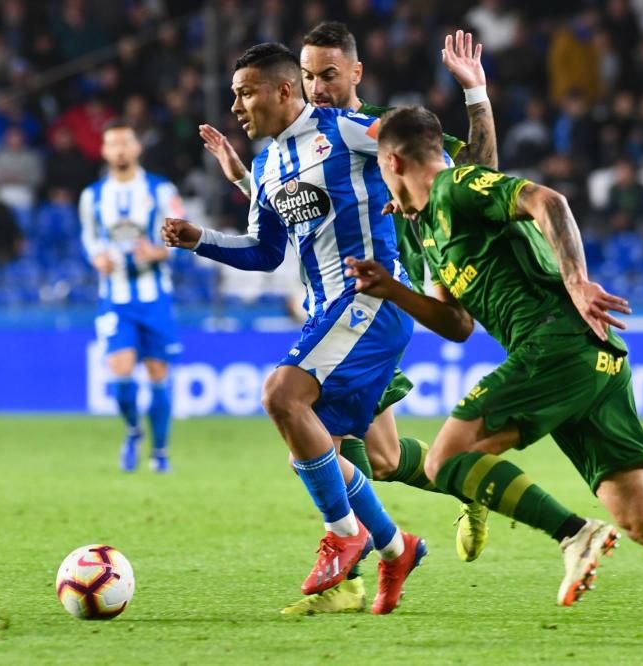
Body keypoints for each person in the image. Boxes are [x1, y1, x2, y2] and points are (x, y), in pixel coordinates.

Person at [345, 106, 643, 642]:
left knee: (446, 458)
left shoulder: (458, 186)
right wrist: (394, 289)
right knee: (639, 516)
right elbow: (456, 325)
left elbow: (549, 201)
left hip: (558, 342)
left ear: (394, 160)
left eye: (379, 168)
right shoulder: (426, 228)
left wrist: (575, 280)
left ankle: (573, 535)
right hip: (587, 359)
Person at [197, 23, 498, 615]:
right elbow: (285, 214)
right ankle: (403, 537)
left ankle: (349, 566)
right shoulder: (287, 147)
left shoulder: (377, 131)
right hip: (333, 313)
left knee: (297, 410)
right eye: (308, 76)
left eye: (327, 75)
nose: (316, 87)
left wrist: (475, 95)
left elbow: (478, 172)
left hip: (377, 301)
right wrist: (240, 180)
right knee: (357, 456)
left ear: (356, 73)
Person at [161, 43, 424, 615]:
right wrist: (199, 239)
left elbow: (426, 155)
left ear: (285, 91)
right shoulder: (267, 165)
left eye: (246, 92)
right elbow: (262, 252)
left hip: (372, 299)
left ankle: (344, 533)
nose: (236, 105)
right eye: (234, 94)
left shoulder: (349, 130)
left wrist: (413, 198)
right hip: (328, 309)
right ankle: (396, 547)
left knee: (281, 396)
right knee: (313, 448)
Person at [79, 120, 184, 474]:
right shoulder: (92, 196)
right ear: (105, 151)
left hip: (155, 298)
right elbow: (90, 239)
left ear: (137, 148)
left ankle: (161, 452)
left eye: (126, 143)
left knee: (157, 373)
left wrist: (159, 252)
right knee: (121, 375)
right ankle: (133, 430)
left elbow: (179, 235)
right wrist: (97, 258)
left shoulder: (160, 190)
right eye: (113, 144)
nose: (120, 150)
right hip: (115, 298)